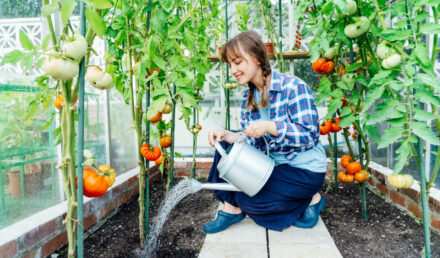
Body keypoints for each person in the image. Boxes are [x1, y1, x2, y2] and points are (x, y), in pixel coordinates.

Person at [204, 31, 328, 234]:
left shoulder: (293, 87)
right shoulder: (248, 98)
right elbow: (250, 141)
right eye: (230, 65)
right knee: (226, 145)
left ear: (257, 58)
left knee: (252, 202)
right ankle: (231, 208)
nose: (233, 70)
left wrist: (271, 126)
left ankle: (312, 198)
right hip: (273, 167)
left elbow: (309, 135)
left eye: (238, 62)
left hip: (304, 170)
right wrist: (229, 135)